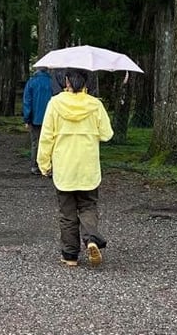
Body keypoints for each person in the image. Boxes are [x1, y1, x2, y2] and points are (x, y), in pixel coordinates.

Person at [37, 67, 113, 268]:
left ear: (67, 82)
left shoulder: (55, 104)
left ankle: (70, 255)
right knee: (88, 206)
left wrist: (44, 164)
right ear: (86, 82)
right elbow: (107, 134)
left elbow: (46, 137)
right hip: (88, 167)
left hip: (64, 168)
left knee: (67, 213)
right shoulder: (95, 105)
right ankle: (91, 240)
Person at [22, 67, 54, 174]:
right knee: (50, 142)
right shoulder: (52, 83)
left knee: (35, 142)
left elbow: (27, 101)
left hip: (35, 118)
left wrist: (27, 119)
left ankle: (35, 166)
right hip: (50, 118)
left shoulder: (31, 82)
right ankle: (48, 166)